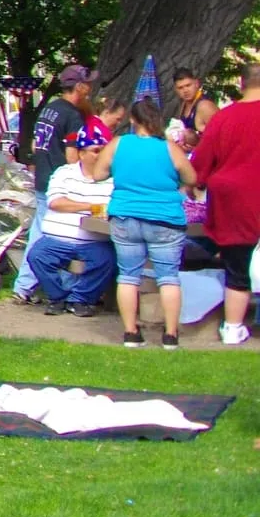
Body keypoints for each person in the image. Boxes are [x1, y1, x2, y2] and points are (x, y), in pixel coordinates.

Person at [87, 99, 196, 349]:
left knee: (128, 276)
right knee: (168, 278)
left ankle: (130, 333)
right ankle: (170, 335)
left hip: (125, 215)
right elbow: (191, 176)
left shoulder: (118, 144)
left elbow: (98, 175)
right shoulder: (169, 148)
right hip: (165, 218)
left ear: (133, 120)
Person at [10, 65, 97, 304]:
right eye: (87, 84)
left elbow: (35, 147)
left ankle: (25, 286)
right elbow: (72, 156)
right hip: (60, 184)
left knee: (40, 235)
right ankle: (65, 290)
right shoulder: (72, 115)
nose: (90, 89)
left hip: (43, 179)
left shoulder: (49, 109)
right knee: (65, 237)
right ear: (78, 86)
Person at [188, 60, 260, 346]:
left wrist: (198, 182)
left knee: (236, 265)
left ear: (241, 84)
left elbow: (202, 161)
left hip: (231, 197)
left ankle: (232, 327)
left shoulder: (222, 118)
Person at [20, 142, 116, 319]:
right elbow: (56, 203)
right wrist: (91, 206)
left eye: (103, 151)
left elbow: (114, 207)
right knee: (37, 256)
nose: (100, 155)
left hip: (94, 239)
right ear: (81, 154)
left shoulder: (113, 178)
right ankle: (57, 297)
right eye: (96, 151)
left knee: (107, 260)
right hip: (57, 237)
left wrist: (86, 208)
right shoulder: (64, 173)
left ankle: (80, 299)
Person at [170, 69, 219, 150]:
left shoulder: (205, 106)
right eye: (180, 88)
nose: (185, 90)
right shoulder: (183, 104)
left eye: (188, 85)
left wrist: (197, 149)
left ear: (196, 83)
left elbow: (221, 137)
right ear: (176, 90)